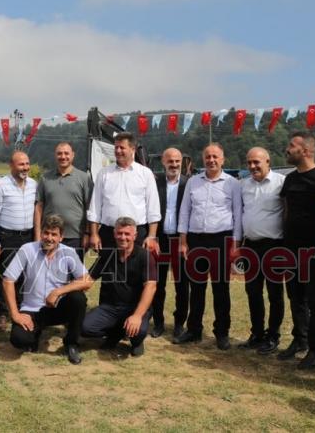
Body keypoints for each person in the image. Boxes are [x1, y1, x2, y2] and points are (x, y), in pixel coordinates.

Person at [278, 131, 315, 370]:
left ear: (307, 150)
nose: (287, 149)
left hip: (314, 252)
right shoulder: (290, 180)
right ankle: (299, 341)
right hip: (291, 250)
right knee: (295, 297)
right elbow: (286, 213)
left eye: (292, 146)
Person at [175, 143, 242, 350]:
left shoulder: (233, 184)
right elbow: (185, 211)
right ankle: (194, 329)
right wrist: (183, 241)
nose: (211, 160)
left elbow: (238, 214)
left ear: (223, 159)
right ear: (203, 159)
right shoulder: (193, 182)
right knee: (196, 288)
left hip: (221, 240)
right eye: (207, 156)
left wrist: (236, 245)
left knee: (221, 289)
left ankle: (222, 332)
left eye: (215, 156)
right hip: (195, 240)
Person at [4, 215, 90, 365]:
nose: (49, 238)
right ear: (41, 232)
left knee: (78, 298)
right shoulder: (27, 249)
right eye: (46, 232)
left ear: (61, 237)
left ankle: (71, 344)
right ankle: (34, 334)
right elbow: (7, 280)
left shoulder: (68, 252)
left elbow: (86, 280)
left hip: (56, 308)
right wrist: (15, 314)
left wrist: (58, 292)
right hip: (32, 310)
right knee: (19, 340)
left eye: (54, 234)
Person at [82, 217, 158, 357]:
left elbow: (151, 287)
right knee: (85, 328)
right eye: (120, 233)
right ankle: (115, 334)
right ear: (114, 234)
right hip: (110, 307)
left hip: (135, 308)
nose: (123, 237)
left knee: (138, 330)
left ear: (135, 236)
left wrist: (136, 315)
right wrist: (59, 291)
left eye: (127, 234)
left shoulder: (145, 256)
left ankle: (137, 342)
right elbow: (87, 281)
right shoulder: (107, 254)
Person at [238, 147, 286, 355]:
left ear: (268, 161)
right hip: (250, 246)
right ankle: (257, 333)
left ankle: (273, 336)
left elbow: (287, 211)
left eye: (257, 162)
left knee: (275, 294)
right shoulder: (243, 185)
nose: (252, 166)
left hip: (274, 245)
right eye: (249, 162)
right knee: (253, 292)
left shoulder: (281, 183)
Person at [87, 132, 161, 258]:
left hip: (136, 234)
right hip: (109, 233)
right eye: (116, 147)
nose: (118, 151)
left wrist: (151, 236)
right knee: (110, 275)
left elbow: (153, 209)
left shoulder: (145, 174)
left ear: (132, 149)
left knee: (136, 275)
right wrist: (94, 234)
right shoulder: (104, 174)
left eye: (122, 147)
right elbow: (95, 207)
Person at [0, 151, 38, 331]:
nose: (25, 167)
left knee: (25, 275)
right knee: (7, 275)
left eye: (27, 163)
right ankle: (2, 313)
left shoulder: (34, 185)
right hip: (7, 237)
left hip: (28, 236)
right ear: (11, 165)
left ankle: (20, 309)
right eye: (21, 164)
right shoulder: (1, 185)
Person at [150, 147, 189, 338]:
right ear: (163, 162)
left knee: (182, 285)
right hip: (160, 239)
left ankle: (179, 323)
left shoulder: (189, 183)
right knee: (158, 283)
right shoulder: (154, 182)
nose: (174, 165)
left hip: (181, 240)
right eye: (170, 161)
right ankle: (158, 322)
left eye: (177, 161)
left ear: (182, 162)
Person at [34, 142, 93, 252]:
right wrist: (38, 234)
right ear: (55, 155)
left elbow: (89, 208)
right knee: (48, 268)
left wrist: (87, 233)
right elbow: (39, 207)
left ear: (73, 155)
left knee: (73, 269)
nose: (63, 157)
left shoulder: (84, 178)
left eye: (66, 153)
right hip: (49, 235)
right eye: (59, 154)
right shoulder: (45, 178)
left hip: (75, 237)